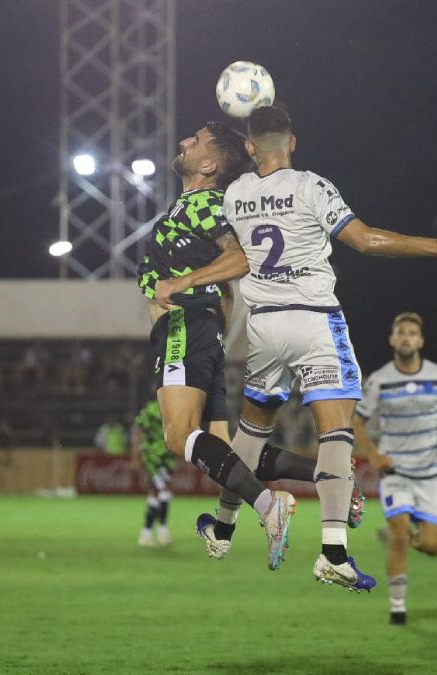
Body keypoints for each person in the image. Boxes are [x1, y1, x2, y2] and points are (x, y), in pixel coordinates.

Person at [155, 107, 437, 592]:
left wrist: (183, 277)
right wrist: (436, 247)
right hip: (314, 321)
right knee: (335, 434)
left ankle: (224, 527)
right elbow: (367, 241)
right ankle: (333, 553)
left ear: (249, 148)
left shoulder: (237, 194)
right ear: (293, 143)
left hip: (264, 328)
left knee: (250, 432)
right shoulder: (312, 186)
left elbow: (226, 242)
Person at [139, 120, 336, 572]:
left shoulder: (204, 203)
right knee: (229, 451)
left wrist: (185, 286)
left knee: (176, 436)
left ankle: (269, 507)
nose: (184, 141)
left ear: (208, 164)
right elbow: (227, 283)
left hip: (183, 329)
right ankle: (328, 476)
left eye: (197, 141)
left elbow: (242, 257)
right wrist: (216, 323)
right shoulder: (189, 206)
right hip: (202, 332)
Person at [353, 312, 437, 625]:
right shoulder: (380, 379)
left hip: (431, 474)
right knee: (400, 533)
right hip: (395, 472)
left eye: (412, 333)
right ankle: (397, 608)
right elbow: (358, 422)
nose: (406, 337)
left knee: (433, 546)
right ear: (392, 339)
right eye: (400, 332)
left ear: (421, 341)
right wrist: (372, 454)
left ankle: (399, 536)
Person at [129, 401, 173, 547]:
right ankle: (161, 531)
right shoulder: (150, 409)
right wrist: (135, 456)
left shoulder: (174, 407)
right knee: (163, 492)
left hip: (167, 457)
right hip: (152, 457)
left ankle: (147, 533)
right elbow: (138, 431)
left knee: (155, 494)